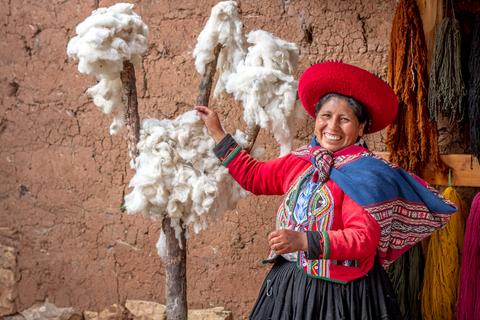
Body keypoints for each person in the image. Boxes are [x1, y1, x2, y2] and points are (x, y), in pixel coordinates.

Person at [195, 61, 456, 320]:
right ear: (316, 119)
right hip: (291, 287)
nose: (332, 127)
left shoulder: (366, 175)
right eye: (326, 117)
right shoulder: (302, 160)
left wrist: (304, 240)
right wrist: (217, 133)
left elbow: (363, 239)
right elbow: (255, 177)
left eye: (344, 120)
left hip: (342, 297)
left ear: (362, 127)